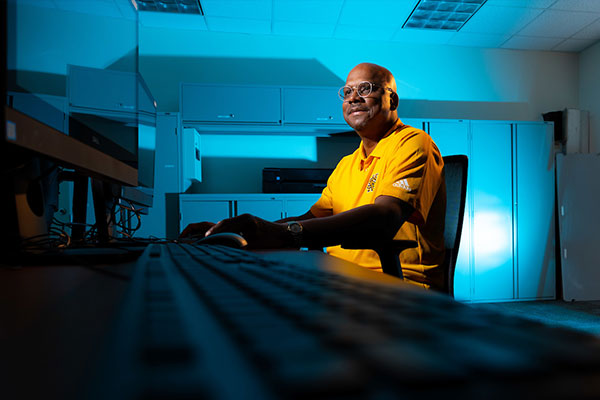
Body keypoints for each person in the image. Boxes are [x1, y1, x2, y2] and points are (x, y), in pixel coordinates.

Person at [181, 63, 446, 289]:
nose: (353, 97)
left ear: (393, 100)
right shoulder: (347, 164)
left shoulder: (412, 143)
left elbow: (385, 217)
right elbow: (310, 219)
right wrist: (241, 232)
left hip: (396, 284)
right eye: (347, 92)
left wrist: (287, 235)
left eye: (365, 89)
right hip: (339, 277)